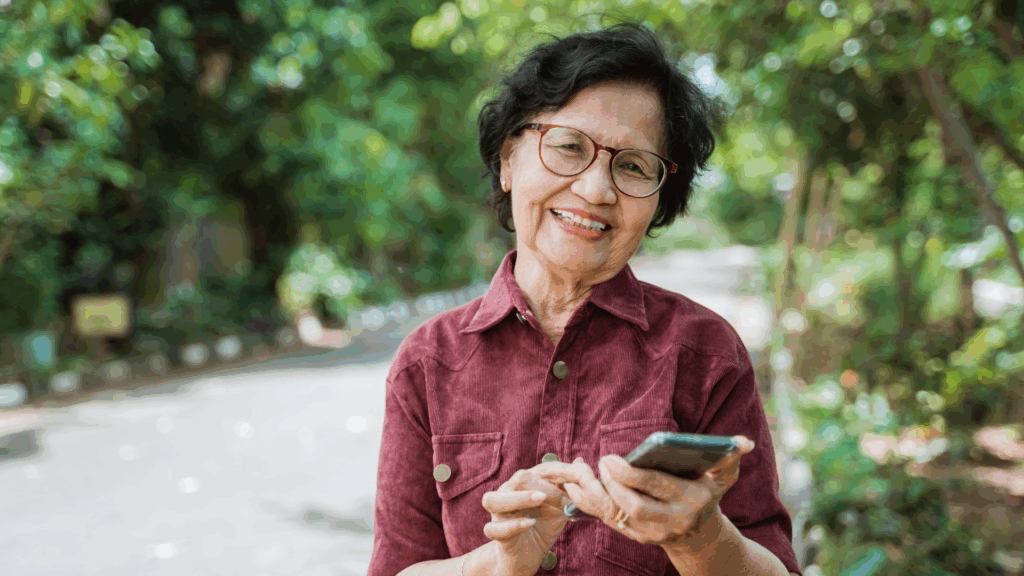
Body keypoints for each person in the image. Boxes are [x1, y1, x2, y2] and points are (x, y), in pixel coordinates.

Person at [368, 22, 802, 576]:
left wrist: (700, 538)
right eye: (569, 147)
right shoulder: (427, 362)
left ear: (660, 198)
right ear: (507, 161)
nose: (597, 191)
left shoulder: (705, 352)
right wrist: (497, 564)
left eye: (634, 166)